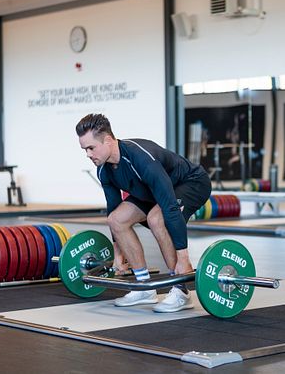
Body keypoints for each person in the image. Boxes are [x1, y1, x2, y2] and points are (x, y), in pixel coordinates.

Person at [76, 113, 211, 313]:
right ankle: (144, 288)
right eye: (84, 149)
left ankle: (181, 290)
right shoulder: (104, 170)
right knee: (116, 219)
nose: (88, 154)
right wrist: (118, 253)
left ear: (107, 140)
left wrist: (183, 258)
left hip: (191, 182)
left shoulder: (141, 158)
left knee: (157, 219)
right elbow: (113, 208)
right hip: (150, 191)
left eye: (91, 148)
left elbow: (170, 208)